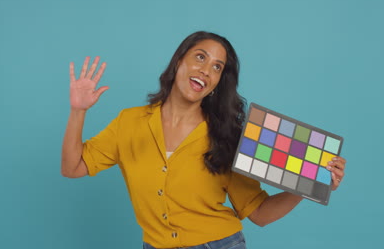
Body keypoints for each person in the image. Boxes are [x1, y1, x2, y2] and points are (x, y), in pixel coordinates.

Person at [61, 31, 346, 249]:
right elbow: (72, 168)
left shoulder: (227, 137)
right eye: (200, 57)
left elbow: (259, 212)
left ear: (218, 82)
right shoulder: (129, 122)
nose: (206, 70)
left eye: (217, 67)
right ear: (179, 61)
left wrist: (311, 183)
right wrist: (78, 112)